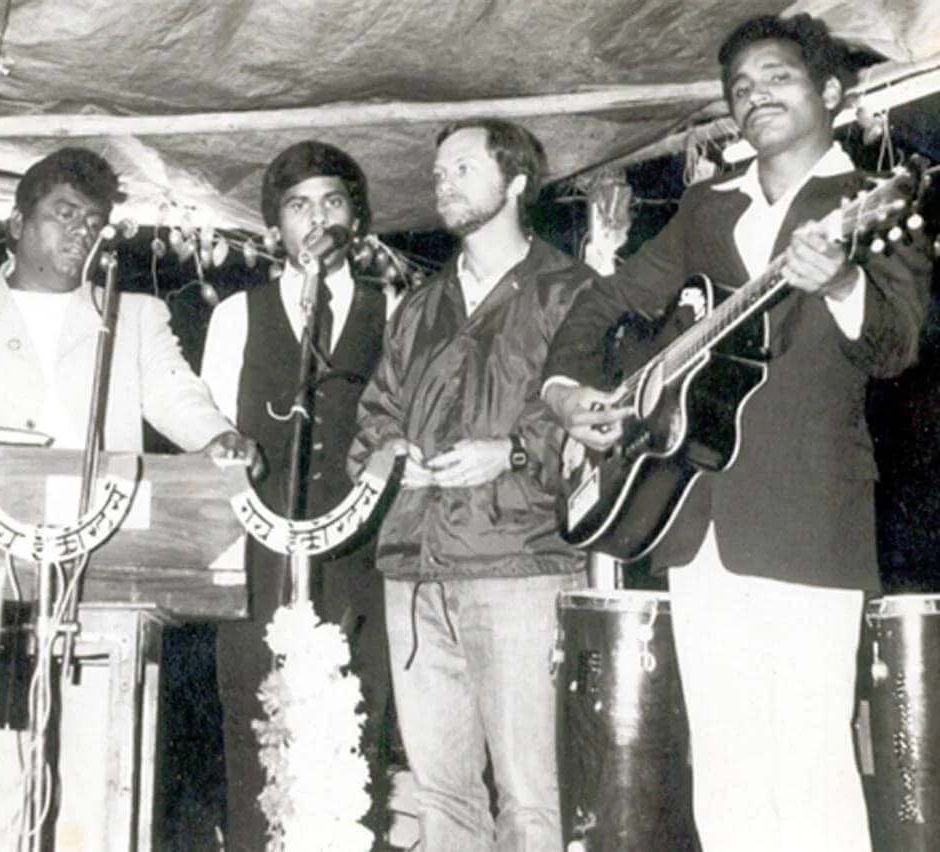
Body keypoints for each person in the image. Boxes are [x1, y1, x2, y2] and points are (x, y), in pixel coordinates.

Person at [541, 15, 931, 850]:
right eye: (740, 89)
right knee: (724, 768)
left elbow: (896, 346)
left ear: (832, 93)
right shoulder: (705, 206)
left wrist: (840, 284)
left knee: (809, 764)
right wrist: (569, 390)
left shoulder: (870, 205)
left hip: (804, 518)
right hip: (690, 520)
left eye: (777, 78)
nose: (755, 97)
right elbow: (602, 303)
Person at [0, 147, 255, 851]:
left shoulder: (133, 317)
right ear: (17, 224)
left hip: (106, 582)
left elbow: (178, 396)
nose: (82, 233)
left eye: (96, 222)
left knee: (98, 782)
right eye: (64, 214)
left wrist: (220, 439)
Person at [348, 119, 590, 850]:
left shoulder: (572, 292)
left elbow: (600, 414)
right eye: (438, 173)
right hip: (415, 573)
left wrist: (512, 452)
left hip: (520, 567)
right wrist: (392, 456)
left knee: (531, 795)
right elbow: (373, 418)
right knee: (441, 795)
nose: (442, 183)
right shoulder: (419, 305)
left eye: (462, 168)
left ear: (517, 182)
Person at [200, 140, 393, 849]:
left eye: (333, 203)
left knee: (352, 736)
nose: (317, 219)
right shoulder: (236, 317)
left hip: (360, 560)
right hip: (257, 565)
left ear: (357, 220)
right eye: (298, 206)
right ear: (275, 224)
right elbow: (211, 432)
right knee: (255, 735)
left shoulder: (392, 310)